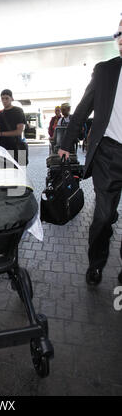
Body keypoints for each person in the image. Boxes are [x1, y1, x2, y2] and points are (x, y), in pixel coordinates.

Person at [58, 18, 122, 286]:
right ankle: (96, 263)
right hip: (109, 154)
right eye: (119, 32)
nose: (120, 37)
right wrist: (66, 144)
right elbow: (83, 108)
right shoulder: (106, 71)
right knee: (104, 216)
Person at [0, 89, 28, 164]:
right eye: (2, 98)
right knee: (5, 173)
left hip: (18, 147)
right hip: (4, 149)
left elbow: (19, 131)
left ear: (12, 98)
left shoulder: (18, 111)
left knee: (21, 173)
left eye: (7, 98)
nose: (4, 101)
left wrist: (1, 134)